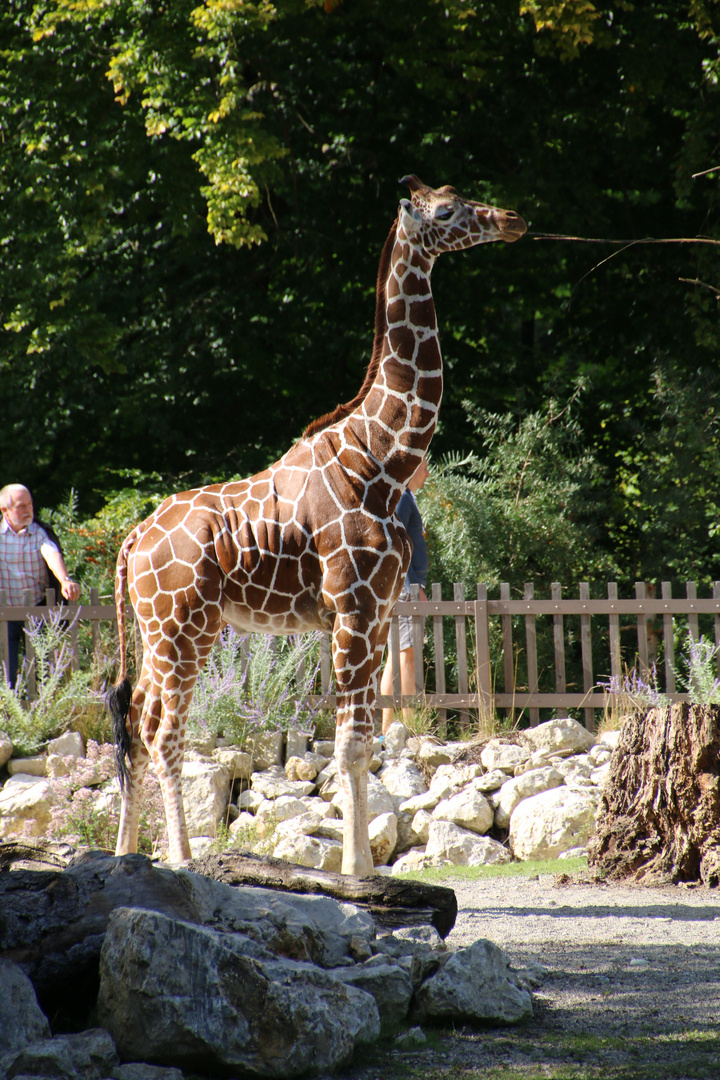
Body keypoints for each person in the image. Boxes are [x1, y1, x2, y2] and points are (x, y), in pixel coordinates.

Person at [0, 484, 80, 687]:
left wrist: (65, 580)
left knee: (41, 675)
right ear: (4, 510)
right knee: (5, 678)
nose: (28, 510)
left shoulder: (40, 532)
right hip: (4, 614)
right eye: (21, 506)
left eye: (30, 505)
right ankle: (8, 718)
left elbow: (51, 554)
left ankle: (41, 715)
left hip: (37, 612)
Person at [380, 456, 429, 734]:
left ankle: (387, 729)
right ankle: (410, 727)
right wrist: (414, 587)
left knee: (395, 657)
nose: (427, 473)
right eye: (423, 467)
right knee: (406, 655)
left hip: (402, 587)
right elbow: (396, 544)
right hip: (405, 590)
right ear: (411, 471)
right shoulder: (404, 499)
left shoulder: (406, 497)